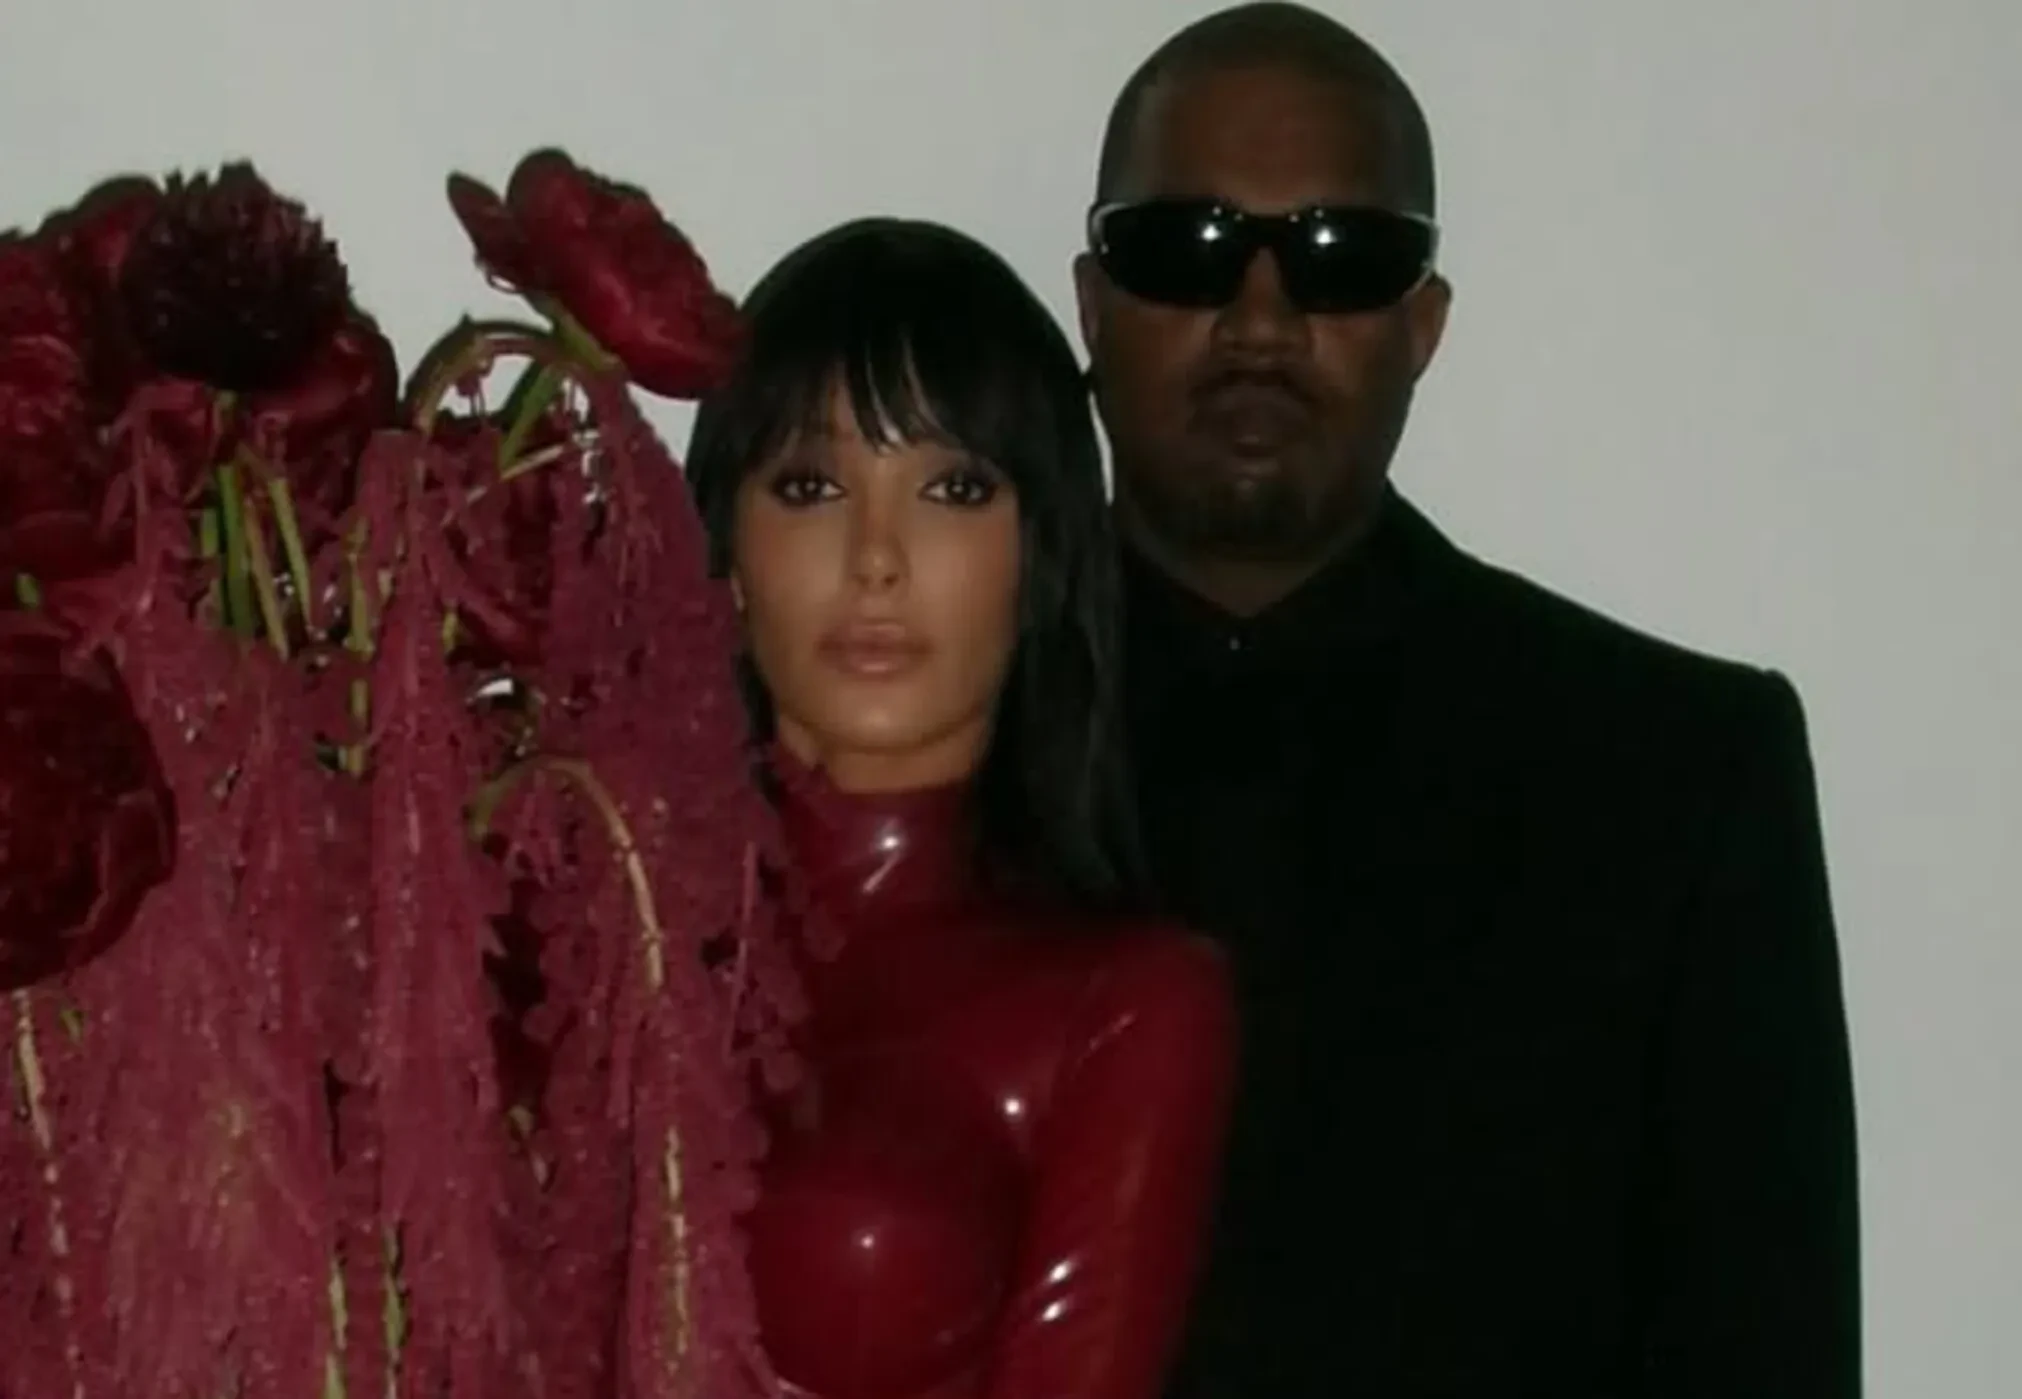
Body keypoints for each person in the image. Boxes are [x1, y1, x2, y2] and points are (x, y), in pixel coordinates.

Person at [1071, 4, 1862, 1396]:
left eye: (1342, 256)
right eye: (1186, 246)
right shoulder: (888, 756)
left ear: (1422, 324)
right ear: (1091, 300)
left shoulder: (1673, 778)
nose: (1260, 320)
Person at [685, 217, 1237, 1399]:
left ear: (1040, 557)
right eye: (811, 485)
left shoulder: (1126, 1006)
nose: (876, 557)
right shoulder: (559, 937)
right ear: (727, 553)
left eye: (952, 487)